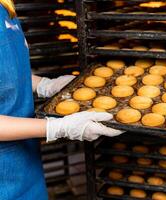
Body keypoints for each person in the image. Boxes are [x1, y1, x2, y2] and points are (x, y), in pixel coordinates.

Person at [0, 0, 123, 199]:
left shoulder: (4, 8)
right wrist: (56, 128)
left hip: (25, 165)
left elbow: (6, 73)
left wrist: (45, 85)